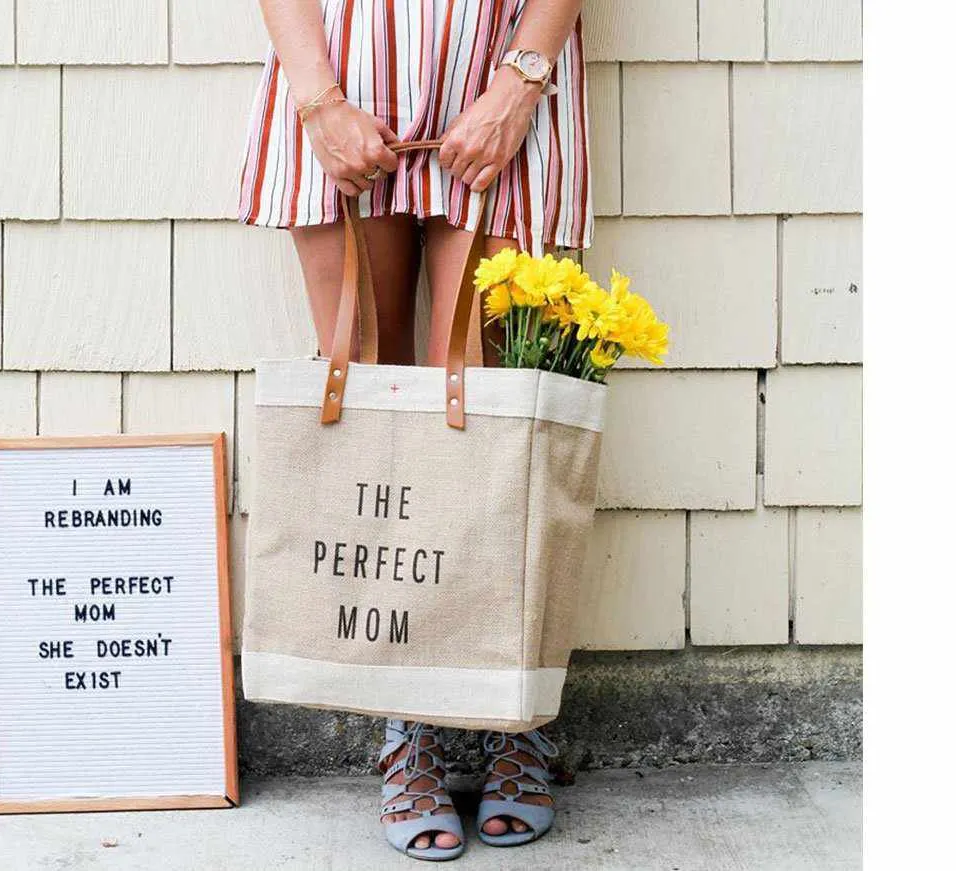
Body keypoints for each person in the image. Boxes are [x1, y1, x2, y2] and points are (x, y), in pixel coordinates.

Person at [238, 0, 592, 861]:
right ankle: (412, 724)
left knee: (499, 428)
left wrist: (522, 78)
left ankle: (512, 712)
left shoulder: (518, 82)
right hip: (342, 69)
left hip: (510, 69)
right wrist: (319, 99)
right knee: (369, 412)